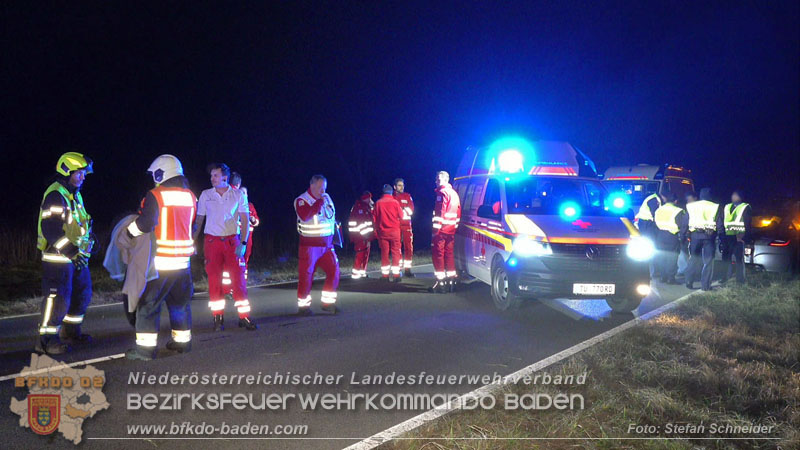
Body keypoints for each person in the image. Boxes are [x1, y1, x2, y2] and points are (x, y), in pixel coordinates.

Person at [125, 155, 196, 360]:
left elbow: (145, 224)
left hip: (161, 262)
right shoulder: (190, 196)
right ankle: (183, 343)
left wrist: (129, 231)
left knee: (149, 305)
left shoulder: (156, 195)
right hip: (184, 262)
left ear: (161, 173)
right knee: (180, 304)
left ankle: (144, 350)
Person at [35, 152, 96, 355]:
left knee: (82, 294)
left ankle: (71, 332)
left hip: (76, 258)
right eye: (79, 173)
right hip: (58, 258)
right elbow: (50, 230)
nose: (83, 177)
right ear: (67, 171)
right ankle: (46, 340)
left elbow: (79, 224)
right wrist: (72, 252)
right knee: (58, 299)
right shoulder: (56, 195)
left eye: (84, 173)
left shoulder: (74, 194)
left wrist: (91, 242)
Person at [193, 163, 258, 331]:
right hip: (212, 243)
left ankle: (244, 317)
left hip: (232, 242)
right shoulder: (206, 195)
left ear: (224, 177)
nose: (211, 178)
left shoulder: (238, 195)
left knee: (239, 281)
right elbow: (199, 220)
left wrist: (243, 243)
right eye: (211, 175)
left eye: (215, 175)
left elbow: (244, 220)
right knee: (214, 282)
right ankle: (217, 317)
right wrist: (192, 239)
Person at [294, 174, 340, 314]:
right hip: (309, 246)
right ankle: (303, 306)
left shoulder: (326, 197)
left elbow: (331, 216)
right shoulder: (301, 200)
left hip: (327, 246)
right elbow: (305, 215)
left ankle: (328, 303)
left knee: (334, 271)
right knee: (306, 275)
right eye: (320, 187)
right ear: (312, 185)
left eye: (324, 188)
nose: (323, 191)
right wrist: (319, 202)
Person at [684, 188, 722, 291]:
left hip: (695, 236)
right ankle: (705, 286)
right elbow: (719, 223)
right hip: (709, 236)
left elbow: (685, 221)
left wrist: (683, 234)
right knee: (708, 261)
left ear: (700, 195)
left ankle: (688, 281)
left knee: (693, 258)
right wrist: (721, 236)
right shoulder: (714, 206)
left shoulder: (691, 206)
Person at [429, 171, 461, 293]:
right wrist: (454, 227)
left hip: (441, 231)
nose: (436, 182)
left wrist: (435, 231)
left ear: (445, 180)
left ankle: (441, 283)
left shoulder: (441, 194)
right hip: (451, 230)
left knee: (438, 255)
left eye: (438, 179)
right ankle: (452, 281)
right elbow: (458, 213)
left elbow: (439, 214)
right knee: (449, 255)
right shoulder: (454, 194)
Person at [653, 192, 689, 284]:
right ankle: (670, 278)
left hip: (660, 235)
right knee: (672, 257)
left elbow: (655, 222)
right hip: (672, 236)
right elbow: (682, 225)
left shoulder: (659, 210)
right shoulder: (678, 211)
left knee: (661, 257)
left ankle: (662, 277)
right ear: (675, 201)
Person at [720, 189, 752, 283]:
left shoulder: (745, 207)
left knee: (739, 260)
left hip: (739, 237)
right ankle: (725, 277)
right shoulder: (727, 206)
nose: (733, 197)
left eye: (736, 195)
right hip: (727, 237)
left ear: (741, 197)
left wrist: (746, 238)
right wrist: (722, 236)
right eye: (733, 195)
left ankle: (740, 280)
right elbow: (723, 221)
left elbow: (747, 223)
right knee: (725, 258)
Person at [374, 184, 404, 281]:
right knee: (396, 253)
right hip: (395, 232)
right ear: (391, 192)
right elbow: (401, 215)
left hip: (383, 232)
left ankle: (385, 276)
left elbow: (374, 218)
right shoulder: (395, 202)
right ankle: (396, 275)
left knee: (384, 253)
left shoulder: (378, 203)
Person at [634, 191, 663, 279]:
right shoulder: (653, 200)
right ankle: (648, 272)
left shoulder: (653, 198)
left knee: (652, 248)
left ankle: (652, 271)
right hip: (647, 225)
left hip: (646, 225)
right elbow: (655, 215)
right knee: (651, 248)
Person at [347, 191, 374, 279]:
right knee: (360, 254)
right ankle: (355, 274)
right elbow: (360, 224)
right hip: (360, 236)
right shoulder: (359, 208)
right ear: (365, 198)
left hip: (366, 236)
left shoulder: (366, 207)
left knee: (365, 254)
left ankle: (362, 272)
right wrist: (365, 236)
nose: (370, 200)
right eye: (368, 198)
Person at [393, 178, 415, 277]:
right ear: (394, 187)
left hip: (406, 225)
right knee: (397, 248)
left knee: (408, 247)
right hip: (396, 225)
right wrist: (403, 209)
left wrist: (401, 209)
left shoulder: (407, 196)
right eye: (399, 185)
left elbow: (411, 210)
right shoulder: (392, 197)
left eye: (402, 185)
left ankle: (408, 269)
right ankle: (399, 269)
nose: (401, 187)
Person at [239, 186, 259, 267]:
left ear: (247, 195)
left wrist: (253, 220)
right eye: (240, 193)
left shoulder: (250, 206)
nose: (242, 194)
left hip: (248, 235)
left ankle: (243, 277)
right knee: (237, 257)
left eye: (244, 193)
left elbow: (257, 221)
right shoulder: (235, 205)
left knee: (246, 255)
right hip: (238, 235)